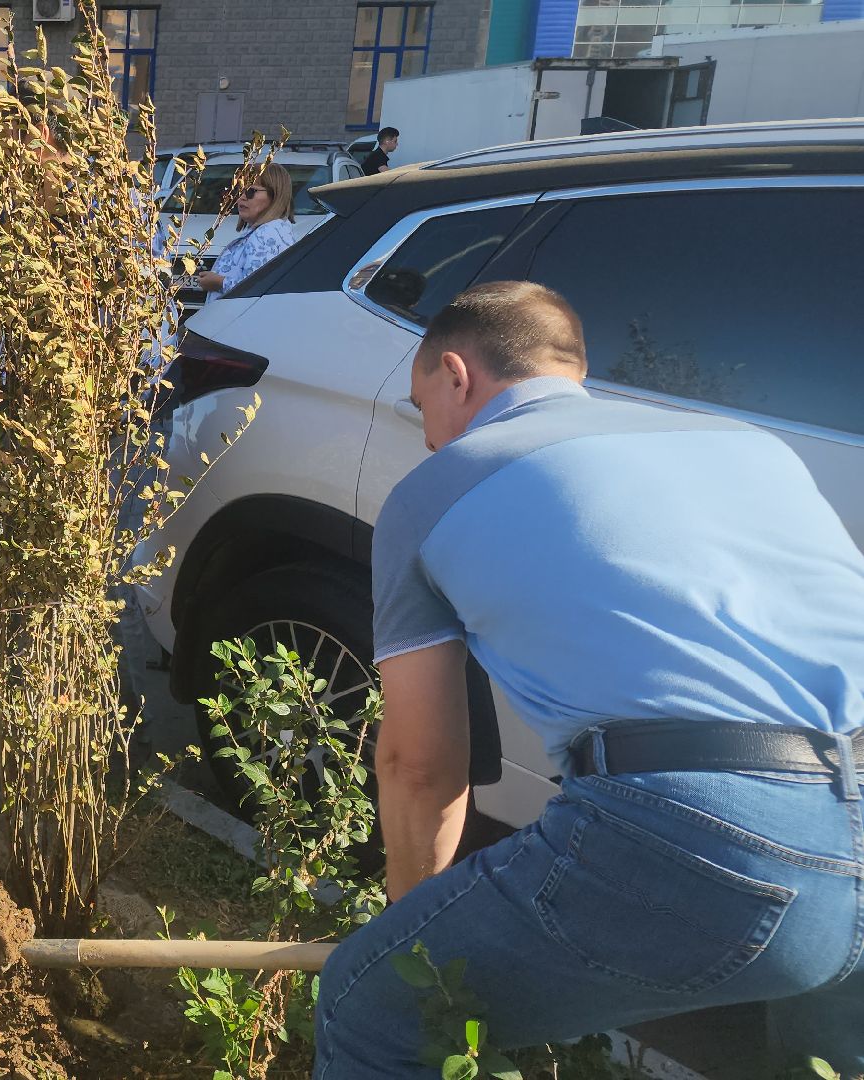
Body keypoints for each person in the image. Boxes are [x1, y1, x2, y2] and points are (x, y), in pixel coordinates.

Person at [313, 281, 862, 1078]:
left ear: (458, 375)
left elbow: (421, 762)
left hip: (718, 835)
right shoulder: (746, 443)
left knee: (375, 1003)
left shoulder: (438, 488)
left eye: (421, 401)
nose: (430, 437)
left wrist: (412, 940)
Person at [195, 162, 294, 303]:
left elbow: (256, 288)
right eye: (239, 190)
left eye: (251, 191)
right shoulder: (274, 229)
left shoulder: (266, 234)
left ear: (275, 195)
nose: (241, 197)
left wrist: (219, 282)